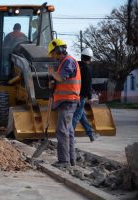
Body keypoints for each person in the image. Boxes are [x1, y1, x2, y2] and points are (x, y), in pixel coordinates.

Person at [47, 39, 81, 167]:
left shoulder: (68, 61)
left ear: (59, 50)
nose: (53, 57)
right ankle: (71, 160)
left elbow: (61, 77)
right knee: (69, 131)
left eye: (54, 53)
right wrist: (54, 84)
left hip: (68, 101)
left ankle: (64, 161)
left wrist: (52, 73)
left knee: (61, 131)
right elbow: (61, 80)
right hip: (66, 101)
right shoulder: (64, 62)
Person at [72, 48, 98, 142]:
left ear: (82, 56)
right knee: (77, 115)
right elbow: (88, 84)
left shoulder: (76, 65)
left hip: (74, 93)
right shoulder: (87, 68)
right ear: (90, 58)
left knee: (81, 115)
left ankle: (91, 134)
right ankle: (69, 136)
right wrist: (90, 97)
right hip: (81, 95)